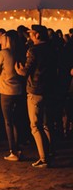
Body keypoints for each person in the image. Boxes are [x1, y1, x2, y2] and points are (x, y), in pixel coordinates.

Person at [15, 24, 56, 168]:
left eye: (32, 33)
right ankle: (50, 152)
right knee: (46, 124)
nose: (30, 36)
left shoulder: (33, 50)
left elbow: (26, 71)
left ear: (37, 35)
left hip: (36, 90)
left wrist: (18, 69)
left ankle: (44, 158)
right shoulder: (52, 48)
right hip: (49, 89)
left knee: (35, 126)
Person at [0, 29, 26, 161]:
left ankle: (13, 150)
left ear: (7, 40)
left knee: (8, 122)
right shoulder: (19, 52)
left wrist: (2, 72)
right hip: (18, 90)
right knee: (16, 120)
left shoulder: (2, 53)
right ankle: (18, 148)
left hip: (6, 91)